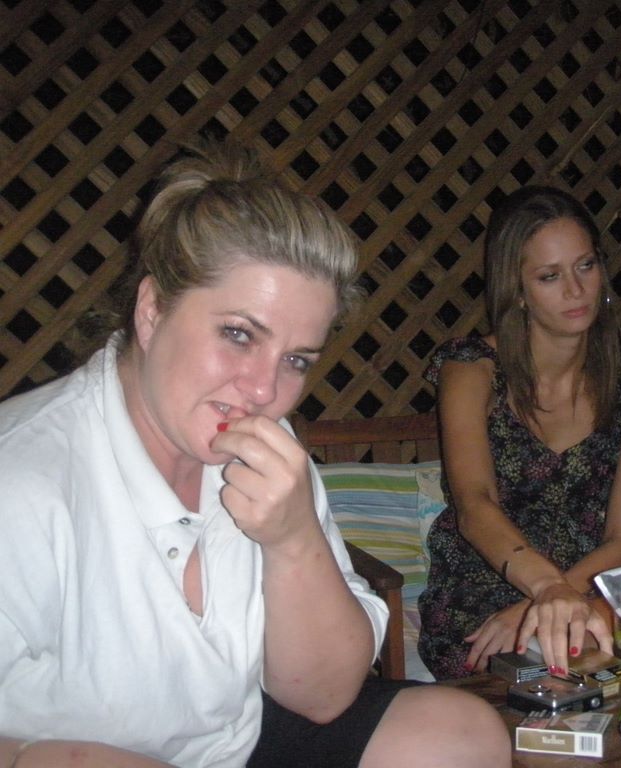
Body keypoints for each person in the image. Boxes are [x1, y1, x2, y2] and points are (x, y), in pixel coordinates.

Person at [0, 138, 510, 768]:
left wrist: (293, 539)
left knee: (460, 734)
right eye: (239, 334)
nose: (265, 392)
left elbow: (322, 696)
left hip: (233, 741)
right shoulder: (22, 482)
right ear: (152, 311)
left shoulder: (268, 446)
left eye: (295, 359)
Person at [417, 185, 621, 680]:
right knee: (522, 677)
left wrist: (554, 597)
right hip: (486, 584)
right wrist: (542, 591)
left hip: (586, 586)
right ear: (517, 290)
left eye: (585, 266)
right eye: (550, 276)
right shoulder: (472, 370)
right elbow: (475, 505)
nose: (575, 290)